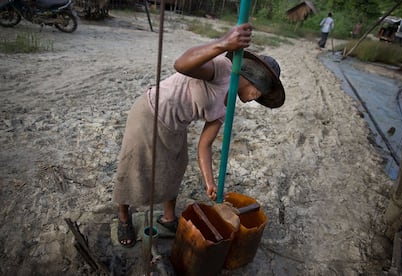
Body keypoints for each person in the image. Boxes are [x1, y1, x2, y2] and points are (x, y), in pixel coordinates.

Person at [112, 23, 285, 248]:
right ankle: (124, 218)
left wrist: (209, 182)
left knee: (175, 167)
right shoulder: (222, 69)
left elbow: (205, 145)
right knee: (134, 167)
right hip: (150, 113)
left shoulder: (227, 107)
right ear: (254, 78)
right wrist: (223, 43)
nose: (256, 98)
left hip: (175, 124)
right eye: (260, 91)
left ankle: (168, 219)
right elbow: (182, 64)